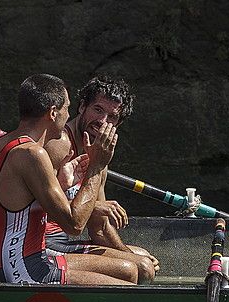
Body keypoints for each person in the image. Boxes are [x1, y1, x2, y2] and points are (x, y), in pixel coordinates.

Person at [0, 74, 138, 285]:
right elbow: (74, 225)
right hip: (26, 272)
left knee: (130, 271)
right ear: (53, 113)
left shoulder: (2, 145)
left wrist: (63, 184)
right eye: (66, 108)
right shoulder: (32, 154)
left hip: (11, 265)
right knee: (127, 286)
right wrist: (96, 166)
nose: (68, 116)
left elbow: (20, 201)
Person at [44, 77, 159, 282]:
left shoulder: (100, 153)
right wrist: (94, 208)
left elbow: (99, 228)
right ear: (82, 107)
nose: (103, 121)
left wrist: (129, 255)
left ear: (119, 123)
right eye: (98, 110)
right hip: (42, 245)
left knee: (141, 257)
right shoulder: (59, 144)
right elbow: (34, 207)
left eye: (112, 117)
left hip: (64, 242)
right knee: (140, 267)